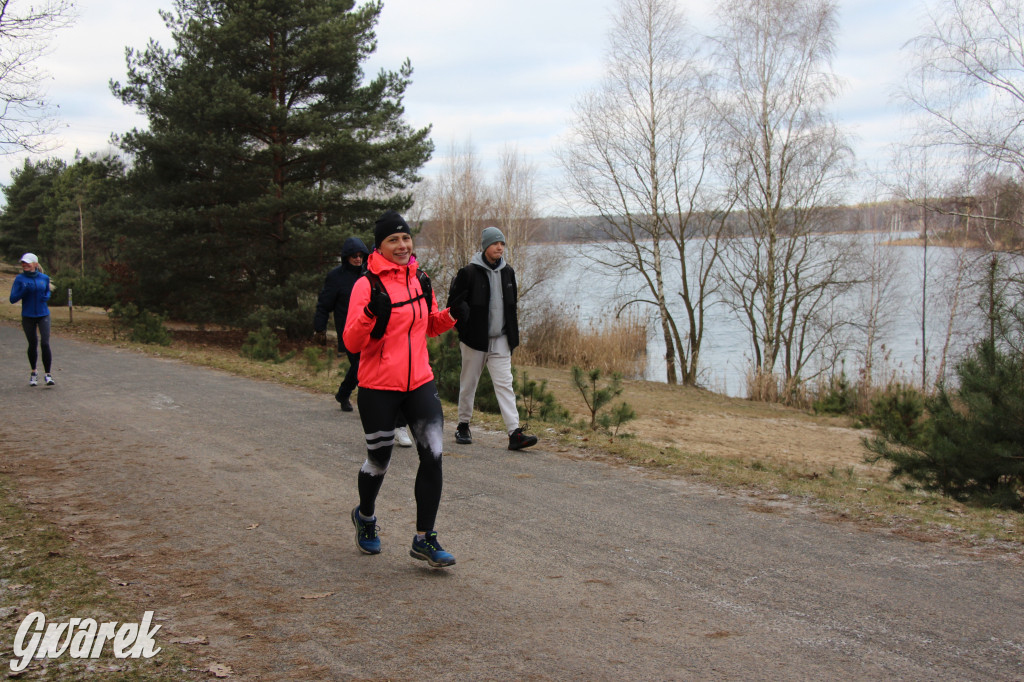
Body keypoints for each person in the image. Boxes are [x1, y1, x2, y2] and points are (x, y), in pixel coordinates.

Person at [343, 210, 465, 568]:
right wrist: (369, 314)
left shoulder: (420, 280)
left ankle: (424, 539)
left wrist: (454, 314)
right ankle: (365, 517)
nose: (402, 245)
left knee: (434, 456)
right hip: (379, 386)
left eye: (406, 238)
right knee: (379, 461)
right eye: (393, 240)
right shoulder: (367, 285)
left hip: (419, 383)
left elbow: (427, 326)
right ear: (379, 246)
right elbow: (352, 341)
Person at [312, 237, 413, 447]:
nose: (358, 259)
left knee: (361, 368)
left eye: (361, 256)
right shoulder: (336, 278)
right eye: (353, 256)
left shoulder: (371, 276)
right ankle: (382, 419)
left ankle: (343, 393)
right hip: (351, 332)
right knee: (360, 367)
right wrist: (319, 328)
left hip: (375, 332)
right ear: (346, 258)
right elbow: (324, 304)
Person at [447, 227, 537, 451]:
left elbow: (512, 307)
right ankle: (463, 426)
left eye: (502, 244)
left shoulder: (509, 272)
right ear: (485, 246)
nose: (499, 247)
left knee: (505, 385)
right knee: (469, 384)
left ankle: (514, 434)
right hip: (474, 340)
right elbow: (454, 305)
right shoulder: (468, 272)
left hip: (501, 340)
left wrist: (512, 336)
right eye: (495, 243)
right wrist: (465, 328)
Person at [9, 253, 55, 387]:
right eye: (23, 263)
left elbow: (47, 291)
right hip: (28, 316)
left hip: (43, 315)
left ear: (35, 264)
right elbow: (12, 299)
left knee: (45, 343)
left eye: (27, 263)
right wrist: (23, 290)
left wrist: (46, 296)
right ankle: (34, 372)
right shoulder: (20, 279)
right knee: (33, 343)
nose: (25, 265)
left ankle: (48, 374)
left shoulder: (44, 278)